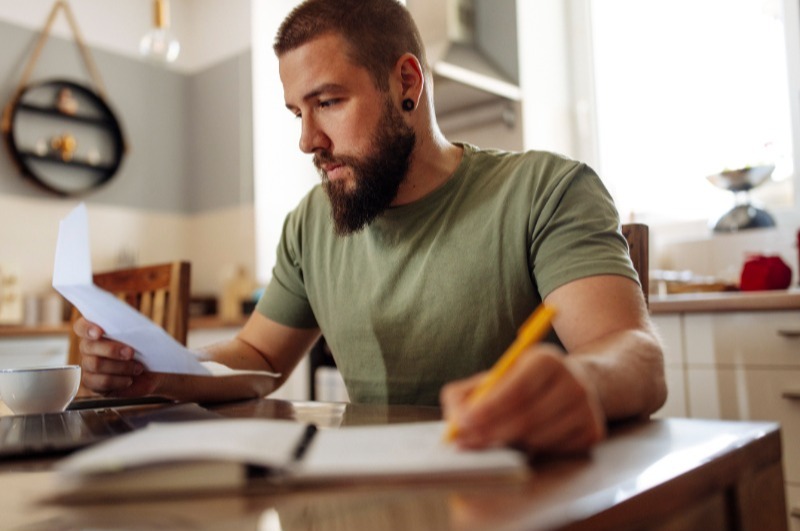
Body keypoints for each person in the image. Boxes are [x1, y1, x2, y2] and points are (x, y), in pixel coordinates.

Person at [74, 0, 666, 455]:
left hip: (515, 492)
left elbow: (636, 356)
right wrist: (160, 369)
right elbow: (257, 355)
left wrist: (583, 381)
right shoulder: (310, 221)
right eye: (296, 113)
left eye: (327, 102)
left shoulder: (544, 191)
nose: (307, 140)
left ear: (407, 83)